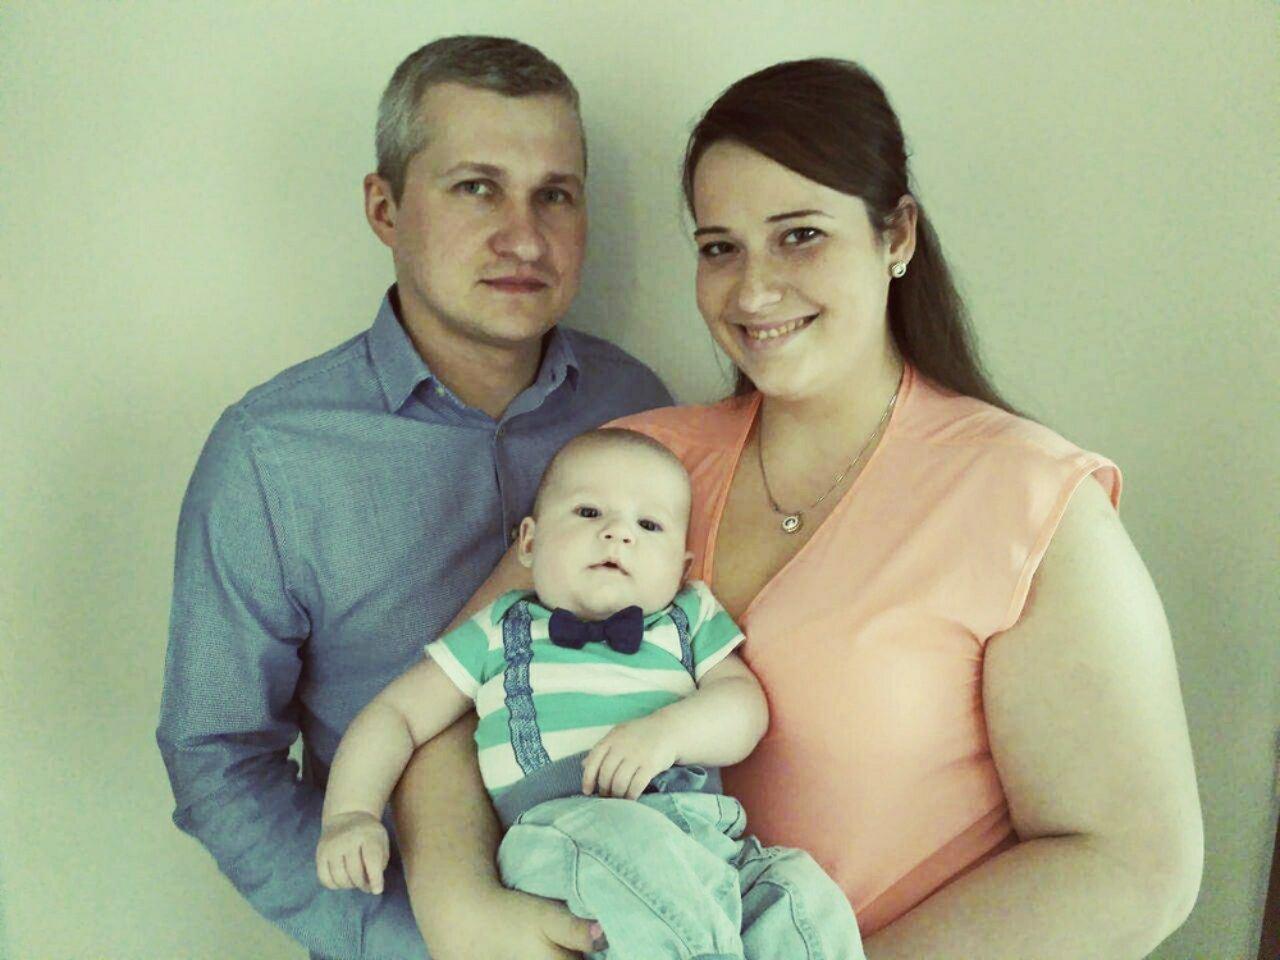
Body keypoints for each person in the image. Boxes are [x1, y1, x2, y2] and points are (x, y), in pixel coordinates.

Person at [394, 59, 1204, 959]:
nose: (753, 291)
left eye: (801, 236)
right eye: (719, 247)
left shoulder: (1030, 498)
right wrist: (458, 906)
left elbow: (1134, 865)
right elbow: (446, 704)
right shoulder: (637, 467)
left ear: (897, 236)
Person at [156, 37, 673, 960]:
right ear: (384, 208)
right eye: (477, 187)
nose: (525, 237)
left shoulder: (640, 409)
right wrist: (431, 937)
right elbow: (217, 759)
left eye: (555, 194)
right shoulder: (272, 456)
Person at [315, 427, 866, 959]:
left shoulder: (689, 618)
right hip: (565, 834)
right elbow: (398, 715)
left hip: (704, 842)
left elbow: (745, 709)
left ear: (680, 567)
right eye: (588, 512)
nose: (619, 533)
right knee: (627, 844)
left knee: (797, 889)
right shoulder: (499, 629)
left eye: (649, 525)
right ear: (530, 542)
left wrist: (668, 733)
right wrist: (350, 812)